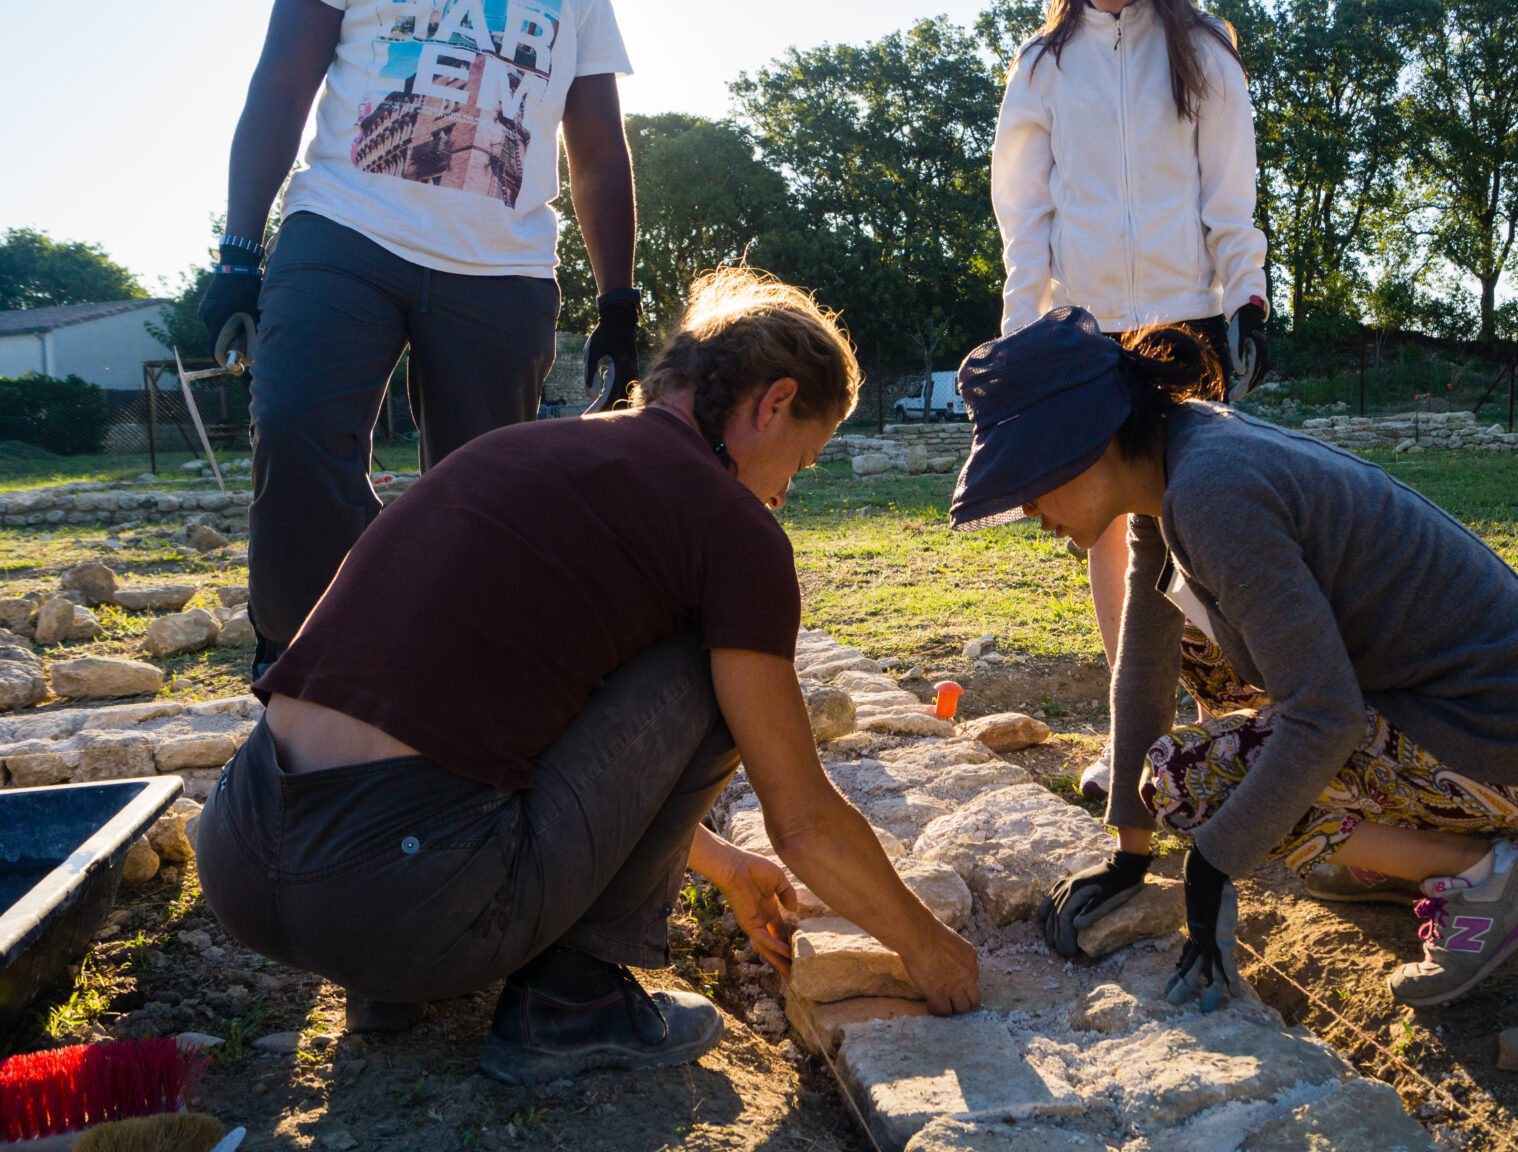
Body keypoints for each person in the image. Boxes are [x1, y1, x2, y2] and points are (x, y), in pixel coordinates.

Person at [192, 270, 980, 1086]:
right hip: (398, 895)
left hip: (245, 851)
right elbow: (802, 818)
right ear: (773, 402)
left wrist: (719, 863)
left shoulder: (520, 449)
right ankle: (571, 1003)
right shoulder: (731, 525)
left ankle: (381, 986)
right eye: (802, 462)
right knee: (708, 668)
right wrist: (931, 950)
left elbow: (471, 715)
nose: (782, 492)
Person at [952, 308, 1518, 1008]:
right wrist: (1128, 855)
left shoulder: (1211, 494)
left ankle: (1481, 874)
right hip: (1489, 711)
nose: (1025, 506)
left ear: (1087, 441)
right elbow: (1144, 662)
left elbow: (1322, 716)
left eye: (1029, 474)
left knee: (1187, 780)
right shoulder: (1171, 465)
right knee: (1195, 642)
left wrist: (1211, 864)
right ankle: (1389, 853)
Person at [200, 0, 645, 680]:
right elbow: (282, 79)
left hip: (501, 267)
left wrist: (618, 302)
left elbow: (598, 145)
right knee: (293, 426)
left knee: (483, 494)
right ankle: (303, 663)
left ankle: (448, 682)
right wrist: (238, 253)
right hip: (343, 228)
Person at [990, 0, 1271, 800]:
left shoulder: (1202, 44)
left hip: (1187, 320)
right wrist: (1021, 334)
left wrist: (1246, 296)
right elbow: (1024, 214)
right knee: (1105, 528)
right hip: (1081, 328)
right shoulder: (1040, 63)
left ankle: (1234, 717)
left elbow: (1229, 187)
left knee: (1201, 517)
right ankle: (1134, 737)